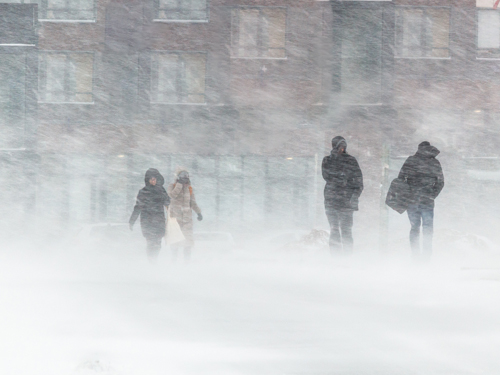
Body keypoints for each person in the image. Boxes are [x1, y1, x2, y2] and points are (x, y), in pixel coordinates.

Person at [398, 141, 444, 260]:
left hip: (412, 200)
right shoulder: (434, 162)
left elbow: (400, 179)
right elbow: (440, 182)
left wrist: (407, 193)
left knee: (414, 227)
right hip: (427, 201)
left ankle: (415, 254)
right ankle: (427, 255)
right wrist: (432, 194)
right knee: (427, 228)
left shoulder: (411, 160)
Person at [322, 136, 364, 254]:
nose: (342, 149)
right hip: (332, 201)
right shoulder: (327, 160)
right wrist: (342, 178)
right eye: (340, 146)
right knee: (334, 230)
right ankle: (336, 257)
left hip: (346, 202)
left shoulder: (351, 160)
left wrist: (354, 197)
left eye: (343, 146)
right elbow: (327, 176)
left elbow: (359, 182)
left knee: (346, 231)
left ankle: (347, 256)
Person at [129, 168, 170, 261]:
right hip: (147, 222)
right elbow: (138, 207)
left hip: (159, 221)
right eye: (151, 179)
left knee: (158, 243)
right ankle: (151, 260)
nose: (153, 180)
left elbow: (167, 202)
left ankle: (153, 260)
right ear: (148, 180)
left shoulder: (161, 190)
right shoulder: (143, 192)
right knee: (151, 242)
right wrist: (132, 221)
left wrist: (162, 194)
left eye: (155, 178)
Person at [167, 167, 202, 261]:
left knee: (188, 242)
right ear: (178, 177)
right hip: (175, 219)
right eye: (183, 176)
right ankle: (174, 261)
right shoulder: (172, 186)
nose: (185, 179)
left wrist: (198, 212)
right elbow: (172, 195)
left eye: (186, 177)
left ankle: (187, 262)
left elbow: (192, 202)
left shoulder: (189, 189)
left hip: (187, 220)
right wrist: (179, 185)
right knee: (175, 242)